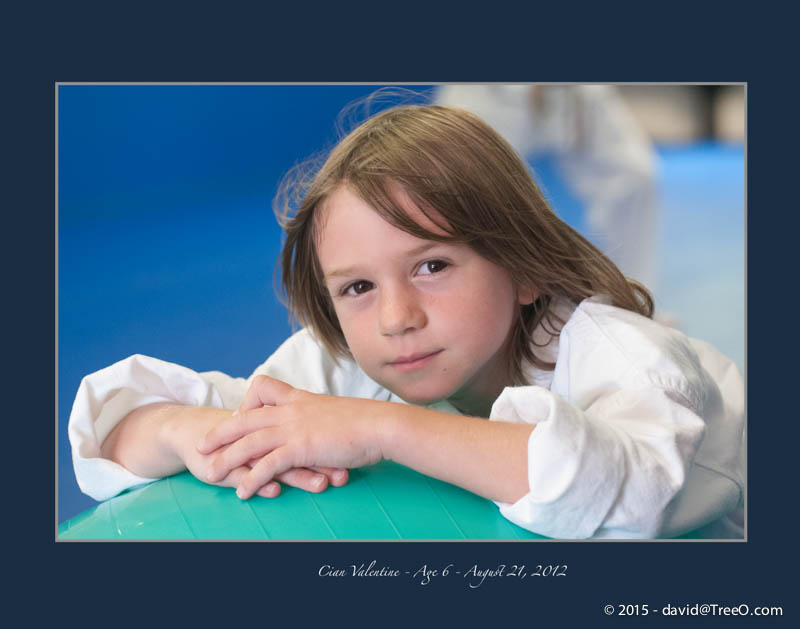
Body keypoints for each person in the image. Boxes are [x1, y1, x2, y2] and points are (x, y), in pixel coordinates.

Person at [68, 100, 744, 539]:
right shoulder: (346, 359)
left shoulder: (625, 361)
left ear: (525, 266)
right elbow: (118, 426)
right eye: (358, 285)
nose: (395, 317)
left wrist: (379, 427)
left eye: (432, 267)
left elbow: (626, 493)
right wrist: (197, 433)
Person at [435, 84, 659, 293]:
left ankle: (631, 296)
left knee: (634, 176)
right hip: (489, 92)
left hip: (570, 90)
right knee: (460, 184)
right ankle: (475, 300)